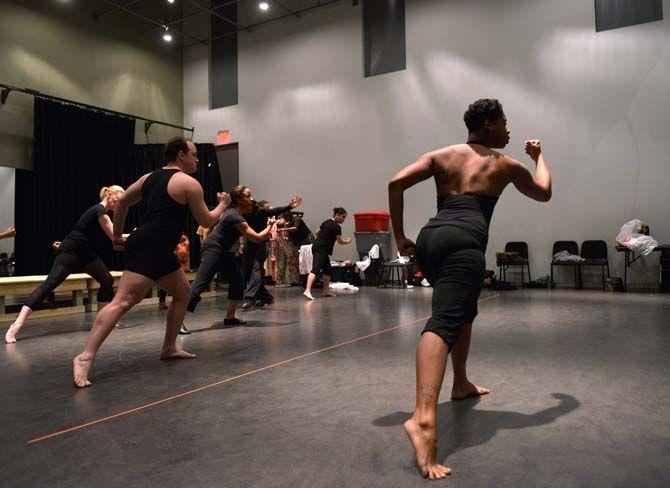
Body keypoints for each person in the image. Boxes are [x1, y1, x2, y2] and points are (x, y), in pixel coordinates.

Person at [388, 98, 552, 479]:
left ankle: (460, 383)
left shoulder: (441, 156)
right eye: (505, 123)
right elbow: (544, 191)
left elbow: (395, 183)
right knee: (445, 320)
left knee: (464, 309)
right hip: (465, 244)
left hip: (431, 239)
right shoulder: (504, 165)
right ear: (490, 125)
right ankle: (423, 419)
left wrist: (399, 236)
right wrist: (539, 155)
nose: (509, 130)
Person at [72, 137, 230, 387]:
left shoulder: (148, 177)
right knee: (124, 301)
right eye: (194, 154)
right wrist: (222, 205)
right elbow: (208, 220)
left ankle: (169, 347)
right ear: (181, 155)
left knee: (183, 292)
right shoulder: (189, 183)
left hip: (154, 246)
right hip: (150, 246)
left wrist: (116, 235)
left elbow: (123, 202)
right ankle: (84, 357)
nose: (197, 159)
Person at [5, 186, 125, 344]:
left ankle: (102, 320)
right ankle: (15, 325)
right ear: (109, 195)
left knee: (107, 280)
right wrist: (139, 234)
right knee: (49, 284)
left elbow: (83, 230)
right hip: (71, 252)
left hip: (86, 255)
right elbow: (114, 237)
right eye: (118, 199)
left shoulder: (100, 213)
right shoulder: (99, 211)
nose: (119, 204)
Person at [187, 185, 274, 325]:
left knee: (238, 280)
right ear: (239, 200)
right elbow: (257, 238)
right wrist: (270, 226)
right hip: (214, 249)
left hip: (222, 250)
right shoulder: (234, 216)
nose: (251, 199)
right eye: (247, 196)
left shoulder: (236, 213)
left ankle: (230, 317)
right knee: (200, 284)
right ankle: (177, 322)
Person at [241, 196, 302, 310]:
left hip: (261, 243)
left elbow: (275, 210)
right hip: (249, 244)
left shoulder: (260, 211)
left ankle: (249, 297)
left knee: (256, 269)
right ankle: (266, 297)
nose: (269, 209)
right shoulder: (243, 211)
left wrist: (289, 206)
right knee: (247, 270)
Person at [303, 207, 352, 300]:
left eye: (345, 217)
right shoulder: (337, 227)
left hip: (318, 247)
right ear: (337, 215)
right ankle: (307, 290)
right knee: (315, 269)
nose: (343, 219)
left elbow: (317, 232)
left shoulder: (326, 222)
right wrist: (348, 241)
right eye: (343, 217)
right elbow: (340, 241)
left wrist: (323, 237)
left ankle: (325, 291)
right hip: (321, 249)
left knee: (327, 270)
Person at [158, 234, 192, 335]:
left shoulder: (185, 243)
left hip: (177, 265)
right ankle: (177, 324)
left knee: (181, 294)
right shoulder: (174, 244)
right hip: (165, 264)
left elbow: (185, 253)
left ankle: (178, 324)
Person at [271, 212, 300, 287]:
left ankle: (286, 280)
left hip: (285, 245)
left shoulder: (284, 225)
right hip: (280, 245)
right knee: (281, 263)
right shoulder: (278, 222)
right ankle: (279, 282)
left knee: (287, 263)